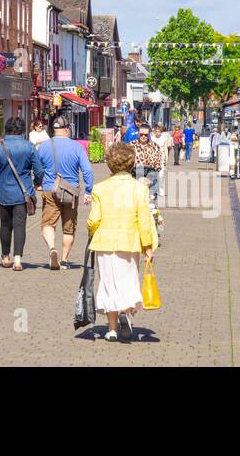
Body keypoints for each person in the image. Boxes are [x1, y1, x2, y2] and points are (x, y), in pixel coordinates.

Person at [88, 142, 158, 342]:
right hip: (129, 242)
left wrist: (91, 231)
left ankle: (111, 329)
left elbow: (94, 219)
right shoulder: (139, 189)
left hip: (104, 242)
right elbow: (144, 219)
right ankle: (126, 314)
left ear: (110, 163)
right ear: (131, 163)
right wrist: (148, 246)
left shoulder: (100, 189)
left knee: (108, 283)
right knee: (128, 281)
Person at [34, 112, 93, 270]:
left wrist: (37, 182)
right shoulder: (77, 147)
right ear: (67, 129)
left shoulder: (44, 146)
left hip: (50, 189)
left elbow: (37, 168)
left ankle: (52, 249)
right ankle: (65, 260)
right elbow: (87, 170)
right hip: (70, 191)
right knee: (69, 227)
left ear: (54, 130)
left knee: (48, 223)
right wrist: (88, 190)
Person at [0, 116, 37, 271]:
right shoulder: (29, 147)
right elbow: (39, 170)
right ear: (23, 131)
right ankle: (18, 259)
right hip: (23, 193)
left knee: (5, 225)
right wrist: (37, 183)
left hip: (4, 193)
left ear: (6, 129)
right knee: (20, 225)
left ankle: (5, 256)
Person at [133, 123, 164, 206]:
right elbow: (127, 162)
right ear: (138, 134)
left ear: (149, 134)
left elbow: (158, 164)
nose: (143, 136)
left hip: (151, 176)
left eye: (146, 135)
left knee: (151, 205)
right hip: (135, 176)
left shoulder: (155, 147)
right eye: (141, 134)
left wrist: (148, 179)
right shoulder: (131, 146)